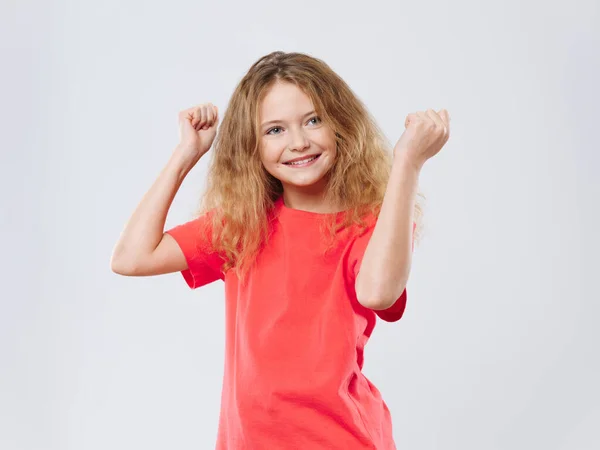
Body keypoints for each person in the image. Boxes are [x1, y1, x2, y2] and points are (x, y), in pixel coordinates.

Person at [111, 51, 450, 449]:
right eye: (275, 130)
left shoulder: (373, 224)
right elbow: (131, 258)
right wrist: (186, 154)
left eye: (313, 120)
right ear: (251, 145)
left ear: (340, 123)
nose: (299, 142)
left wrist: (407, 162)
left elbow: (378, 292)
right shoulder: (243, 224)